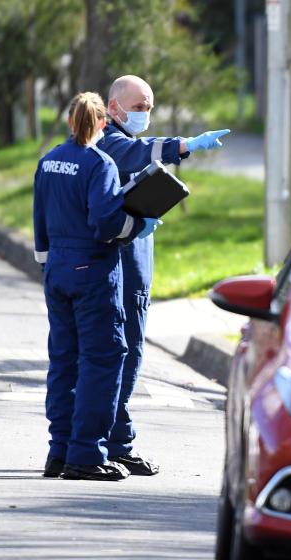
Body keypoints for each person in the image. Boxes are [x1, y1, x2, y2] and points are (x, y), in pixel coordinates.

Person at [95, 74, 230, 475]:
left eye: (149, 107)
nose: (145, 114)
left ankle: (111, 439)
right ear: (113, 107)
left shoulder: (116, 140)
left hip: (133, 265)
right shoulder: (108, 141)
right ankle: (112, 441)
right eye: (138, 107)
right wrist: (189, 145)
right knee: (121, 352)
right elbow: (140, 153)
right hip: (120, 267)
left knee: (126, 353)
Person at [33, 92, 160, 481]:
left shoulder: (49, 159)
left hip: (57, 268)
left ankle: (60, 450)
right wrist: (141, 224)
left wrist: (47, 263)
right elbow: (108, 224)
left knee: (64, 360)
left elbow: (39, 217)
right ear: (103, 124)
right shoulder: (99, 163)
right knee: (102, 360)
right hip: (93, 272)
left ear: (71, 122)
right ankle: (87, 455)